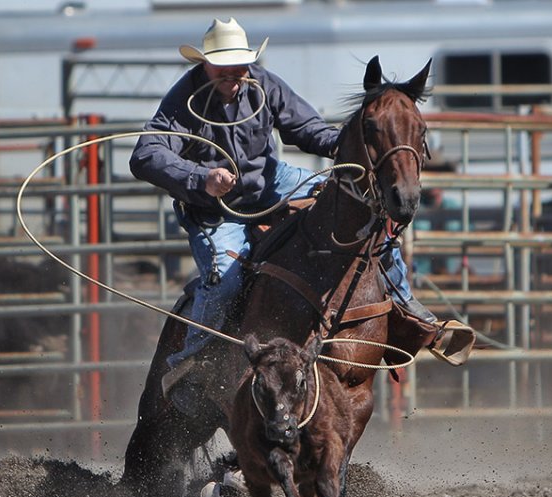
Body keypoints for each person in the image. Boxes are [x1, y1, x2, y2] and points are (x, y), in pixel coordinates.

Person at [130, 17, 436, 407]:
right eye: (224, 65)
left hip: (272, 179)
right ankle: (192, 365)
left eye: (239, 64)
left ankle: (406, 306)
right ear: (205, 64)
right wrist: (201, 178)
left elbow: (306, 128)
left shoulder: (262, 83)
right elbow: (146, 154)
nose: (234, 73)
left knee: (359, 208)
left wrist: (350, 144)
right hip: (218, 209)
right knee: (223, 277)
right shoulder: (183, 99)